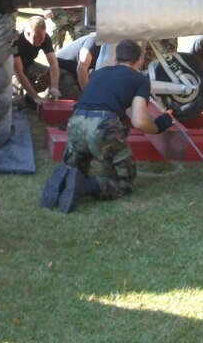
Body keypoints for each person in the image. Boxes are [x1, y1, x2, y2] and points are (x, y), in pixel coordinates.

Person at [41, 40, 174, 213]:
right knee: (124, 182)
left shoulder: (99, 73)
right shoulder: (140, 80)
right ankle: (84, 187)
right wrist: (159, 125)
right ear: (139, 61)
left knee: (77, 168)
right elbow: (139, 121)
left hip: (76, 121)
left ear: (117, 58)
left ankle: (67, 175)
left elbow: (109, 101)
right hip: (102, 126)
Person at [12, 15, 61, 106]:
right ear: (27, 33)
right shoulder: (16, 40)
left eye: (42, 36)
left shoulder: (44, 38)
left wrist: (54, 87)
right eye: (36, 37)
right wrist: (36, 97)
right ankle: (27, 96)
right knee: (17, 104)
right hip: (13, 70)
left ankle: (30, 97)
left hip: (30, 65)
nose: (40, 40)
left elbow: (53, 63)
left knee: (50, 73)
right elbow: (19, 72)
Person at [55, 33, 101, 99]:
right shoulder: (93, 41)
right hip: (60, 66)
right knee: (76, 97)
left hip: (75, 72)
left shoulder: (111, 51)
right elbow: (81, 68)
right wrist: (89, 94)